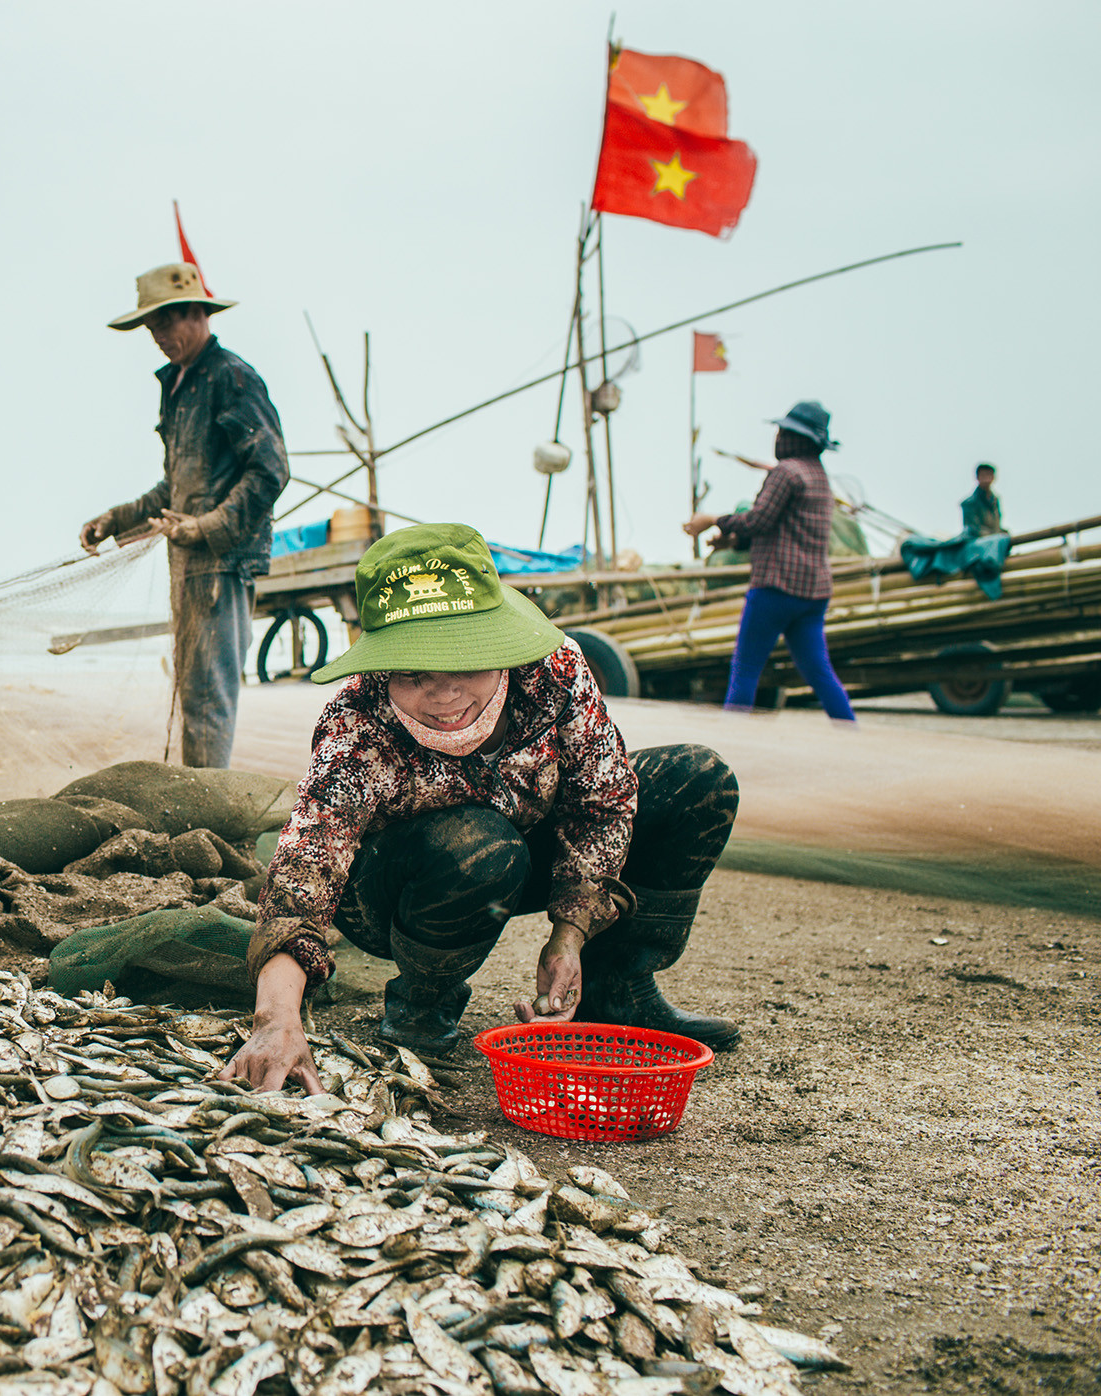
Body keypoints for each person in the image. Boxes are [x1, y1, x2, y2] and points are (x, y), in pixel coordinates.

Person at [221, 523, 742, 1093]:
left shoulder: (555, 670)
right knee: (480, 841)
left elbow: (603, 799)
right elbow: (307, 867)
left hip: (522, 852)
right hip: (397, 890)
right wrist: (276, 1019)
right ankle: (422, 1002)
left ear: (500, 650)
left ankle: (617, 986)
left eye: (465, 665)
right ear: (384, 669)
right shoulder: (358, 721)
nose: (444, 697)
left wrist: (570, 935)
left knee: (698, 780)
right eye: (415, 674)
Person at [78, 263, 288, 768]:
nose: (158, 336)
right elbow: (176, 487)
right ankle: (202, 809)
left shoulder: (231, 376)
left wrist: (207, 527)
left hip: (220, 564)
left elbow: (271, 469)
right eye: (152, 327)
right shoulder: (178, 383)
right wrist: (115, 518)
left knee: (208, 698)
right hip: (187, 565)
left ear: (198, 314)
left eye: (167, 323)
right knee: (194, 693)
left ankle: (209, 823)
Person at [684, 400, 855, 722]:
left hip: (777, 588)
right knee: (818, 671)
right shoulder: (818, 476)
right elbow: (779, 527)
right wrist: (732, 540)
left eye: (783, 432)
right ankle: (850, 731)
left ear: (796, 438)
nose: (778, 437)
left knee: (746, 669)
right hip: (813, 593)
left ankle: (732, 742)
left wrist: (711, 519)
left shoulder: (786, 472)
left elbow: (758, 521)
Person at [962, 463, 1003, 537]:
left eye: (989, 475)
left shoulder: (994, 500)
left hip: (995, 541)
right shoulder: (970, 503)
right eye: (983, 476)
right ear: (977, 477)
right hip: (979, 543)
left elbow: (997, 525)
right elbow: (973, 529)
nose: (986, 479)